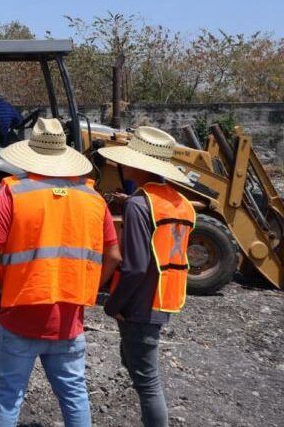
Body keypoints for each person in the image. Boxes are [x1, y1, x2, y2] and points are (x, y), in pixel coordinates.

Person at [0, 118, 121, 427]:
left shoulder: (13, 193)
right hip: (69, 318)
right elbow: (113, 255)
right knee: (74, 395)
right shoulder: (94, 199)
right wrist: (87, 288)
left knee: (8, 396)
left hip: (19, 312)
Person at [100, 127, 196, 427]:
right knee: (139, 368)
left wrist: (112, 305)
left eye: (127, 159)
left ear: (140, 165)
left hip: (140, 304)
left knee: (148, 382)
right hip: (164, 297)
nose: (122, 164)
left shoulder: (138, 206)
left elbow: (135, 267)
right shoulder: (180, 202)